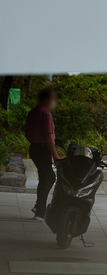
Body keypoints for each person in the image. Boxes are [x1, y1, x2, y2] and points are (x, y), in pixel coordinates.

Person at [25, 88, 59, 221]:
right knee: (47, 177)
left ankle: (39, 205)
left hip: (34, 148)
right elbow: (49, 138)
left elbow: (27, 132)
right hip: (42, 149)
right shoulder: (46, 114)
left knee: (48, 177)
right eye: (52, 98)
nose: (53, 101)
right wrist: (56, 157)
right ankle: (40, 211)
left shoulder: (32, 112)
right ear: (46, 99)